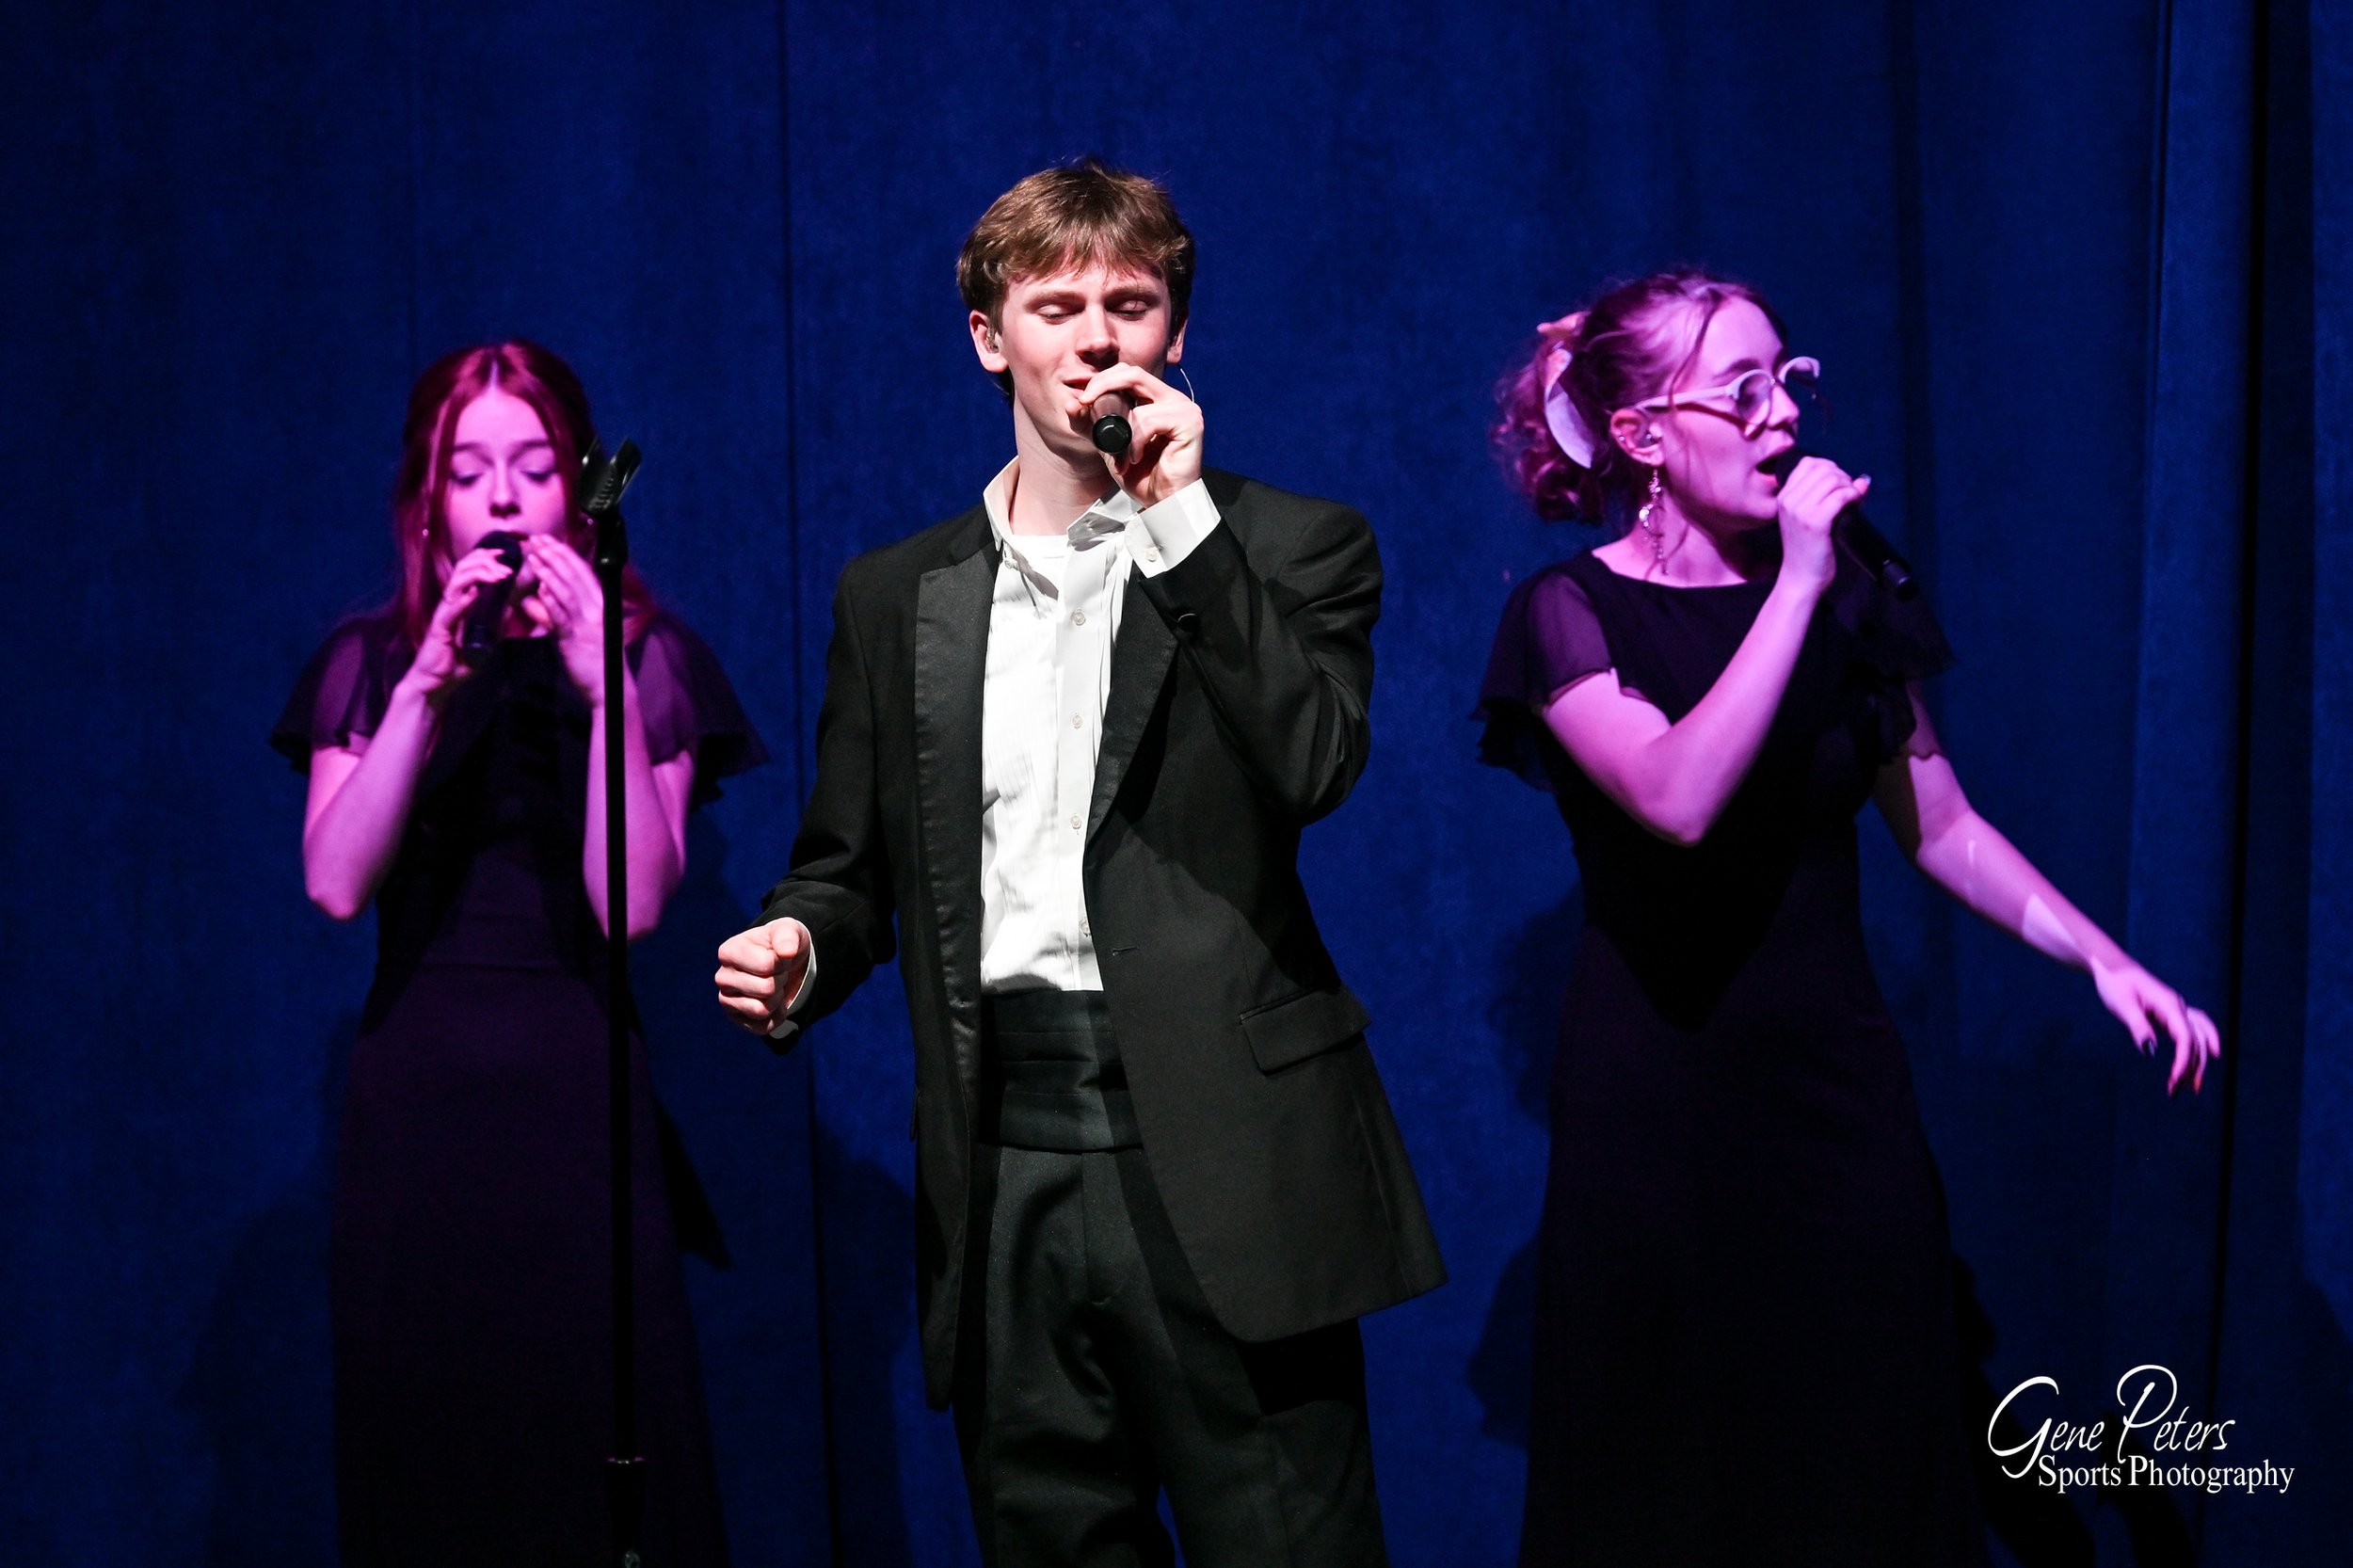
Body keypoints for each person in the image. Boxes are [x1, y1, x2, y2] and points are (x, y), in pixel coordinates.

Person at [714, 158, 1445, 1566]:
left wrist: (1180, 523)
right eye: (1057, 305)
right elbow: (848, 862)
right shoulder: (897, 592)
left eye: (1132, 301)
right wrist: (804, 940)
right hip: (1009, 1163)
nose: (1097, 334)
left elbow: (1314, 764)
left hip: (1222, 1152)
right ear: (992, 337)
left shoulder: (1291, 547)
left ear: (1175, 334)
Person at [1476, 270, 2220, 1565]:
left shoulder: (1846, 580)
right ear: (1645, 434)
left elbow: (1941, 824)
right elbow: (1679, 794)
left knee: (1863, 1441)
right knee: (1681, 1469)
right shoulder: (1569, 615)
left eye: (1789, 382)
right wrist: (1796, 584)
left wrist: (2102, 957)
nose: (1781, 417)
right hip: (1661, 1101)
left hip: (1832, 1089)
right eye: (1743, 391)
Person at [273, 341, 761, 1566]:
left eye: (533, 467)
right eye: (468, 471)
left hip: (574, 1097)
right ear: (427, 499)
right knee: (429, 1451)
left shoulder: (651, 661)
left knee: (596, 1450)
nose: (500, 497)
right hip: (419, 1105)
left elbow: (632, 902)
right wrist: (429, 681)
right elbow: (335, 882)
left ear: (579, 488)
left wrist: (598, 685)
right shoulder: (369, 660)